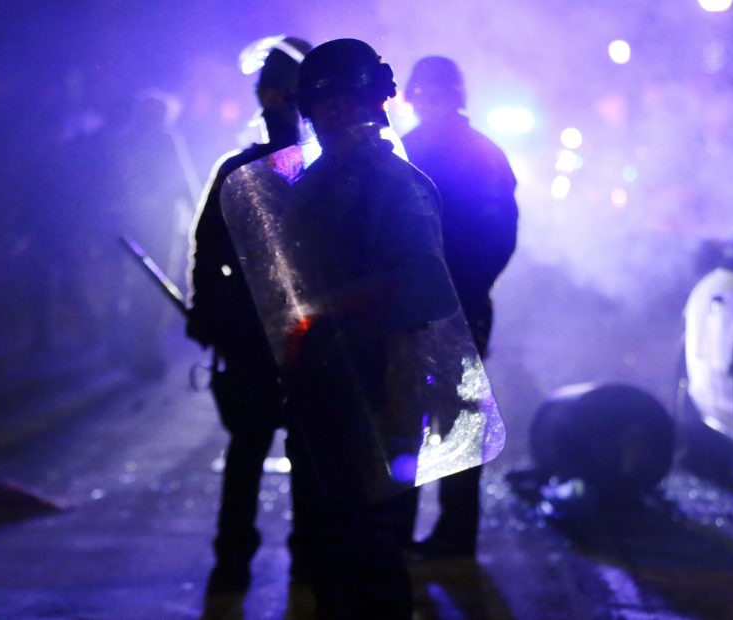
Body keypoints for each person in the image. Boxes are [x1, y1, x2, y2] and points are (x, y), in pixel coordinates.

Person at [219, 38, 462, 619]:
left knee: (372, 555)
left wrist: (336, 312)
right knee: (329, 552)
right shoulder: (309, 181)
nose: (333, 117)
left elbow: (425, 287)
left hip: (383, 388)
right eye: (322, 106)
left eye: (345, 103)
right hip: (321, 391)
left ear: (373, 102)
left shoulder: (398, 185)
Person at [184, 35, 313, 619]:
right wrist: (211, 311)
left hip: (309, 339)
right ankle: (239, 558)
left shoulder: (323, 171)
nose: (274, 103)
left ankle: (278, 558)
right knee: (254, 454)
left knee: (300, 455)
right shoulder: (244, 170)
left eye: (282, 93)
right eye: (270, 92)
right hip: (258, 339)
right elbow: (209, 250)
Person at [396, 55, 519, 560]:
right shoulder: (481, 152)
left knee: (413, 419)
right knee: (453, 420)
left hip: (423, 305)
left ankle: (406, 532)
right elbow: (502, 236)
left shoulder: (407, 151)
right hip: (458, 303)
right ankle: (452, 534)